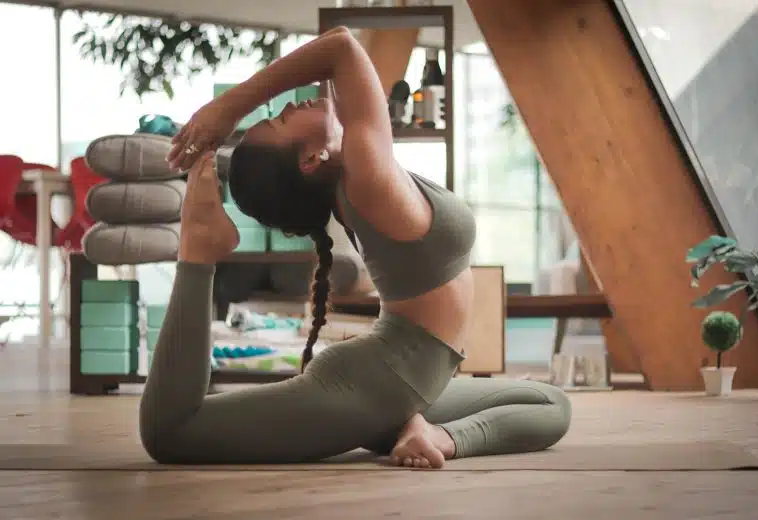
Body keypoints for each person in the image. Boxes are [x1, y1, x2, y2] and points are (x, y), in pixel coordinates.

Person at [140, 26, 571, 469]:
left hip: (404, 384)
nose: (288, 104)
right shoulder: (367, 176)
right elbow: (342, 47)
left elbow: (333, 71)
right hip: (373, 384)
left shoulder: (354, 172)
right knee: (171, 432)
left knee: (551, 404)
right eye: (281, 120)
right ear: (311, 160)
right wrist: (229, 108)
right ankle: (197, 245)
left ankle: (429, 434)